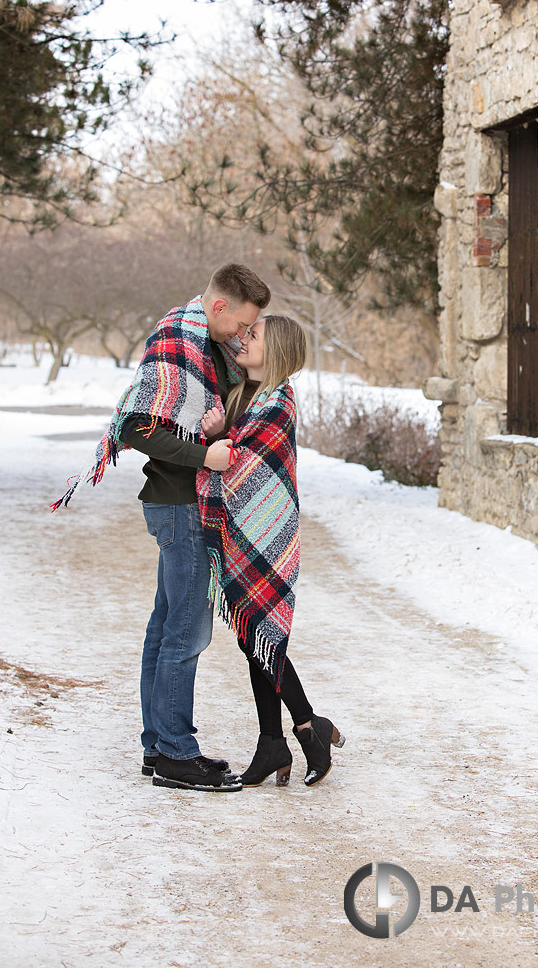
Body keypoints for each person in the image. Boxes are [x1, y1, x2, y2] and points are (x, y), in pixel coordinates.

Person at [53, 263, 271, 793]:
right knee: (187, 632)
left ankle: (158, 745)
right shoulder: (179, 337)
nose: (243, 334)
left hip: (181, 504)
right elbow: (136, 426)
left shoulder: (205, 342)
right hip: (180, 504)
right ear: (219, 307)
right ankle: (176, 752)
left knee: (166, 624)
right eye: (241, 324)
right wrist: (205, 456)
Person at [199, 315, 345, 788]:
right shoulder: (247, 397)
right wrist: (221, 430)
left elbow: (236, 461)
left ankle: (303, 729)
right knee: (253, 636)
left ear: (275, 349)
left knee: (261, 636)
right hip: (243, 536)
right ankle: (277, 741)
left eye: (254, 334)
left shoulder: (277, 403)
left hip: (266, 536)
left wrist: (218, 439)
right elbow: (229, 452)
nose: (243, 339)